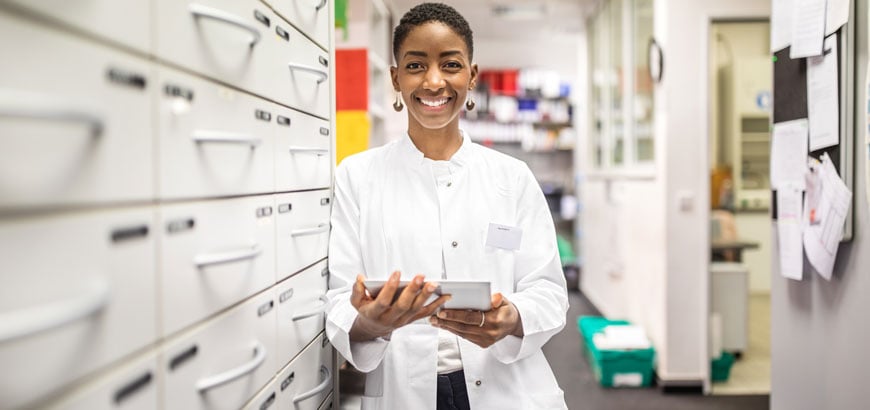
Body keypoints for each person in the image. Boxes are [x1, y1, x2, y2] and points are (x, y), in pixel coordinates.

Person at [325, 3, 569, 409]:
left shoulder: (512, 177)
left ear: (472, 75)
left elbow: (547, 289)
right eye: (416, 65)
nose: (434, 82)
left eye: (451, 64)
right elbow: (338, 298)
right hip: (405, 390)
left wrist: (511, 318)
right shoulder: (357, 176)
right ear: (396, 78)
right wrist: (371, 322)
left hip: (504, 386)